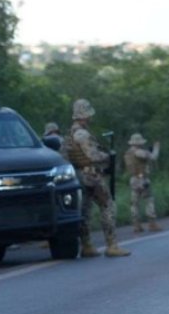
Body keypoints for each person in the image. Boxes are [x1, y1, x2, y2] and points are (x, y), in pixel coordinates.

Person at [64, 99, 131, 258]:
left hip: (79, 176)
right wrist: (108, 156)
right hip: (92, 175)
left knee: (85, 211)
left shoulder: (70, 134)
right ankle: (112, 245)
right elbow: (92, 156)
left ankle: (87, 246)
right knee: (107, 206)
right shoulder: (83, 134)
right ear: (85, 115)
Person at [124, 133, 161, 232]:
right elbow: (153, 157)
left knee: (134, 203)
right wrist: (156, 148)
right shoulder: (139, 152)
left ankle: (136, 225)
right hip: (142, 179)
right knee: (149, 200)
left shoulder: (128, 153)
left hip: (133, 179)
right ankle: (152, 224)